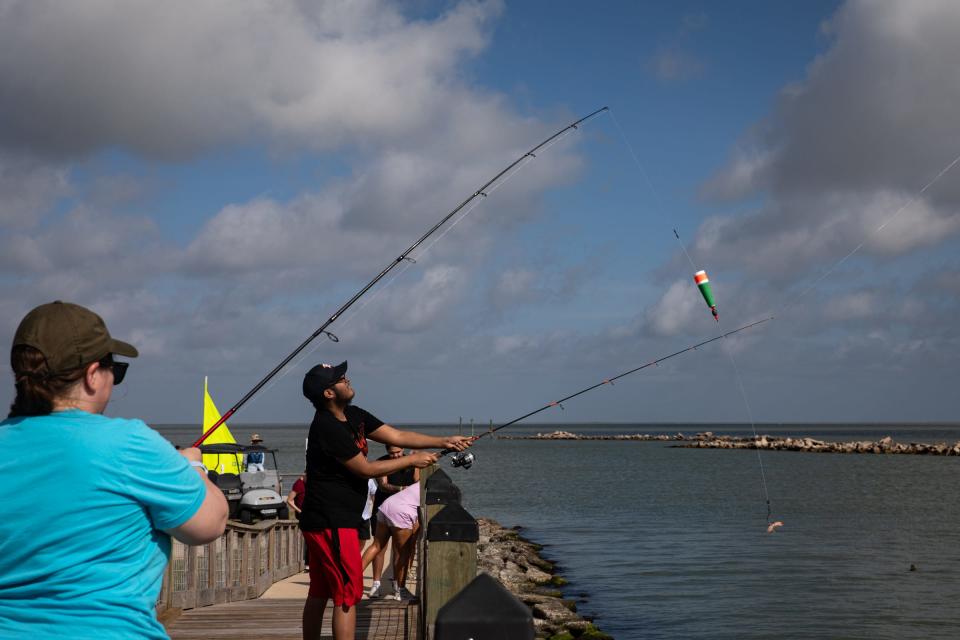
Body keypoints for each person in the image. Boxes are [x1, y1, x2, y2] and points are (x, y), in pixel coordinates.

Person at [0, 301, 228, 638]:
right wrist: (192, 464)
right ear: (92, 376)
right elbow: (210, 524)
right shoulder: (128, 443)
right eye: (114, 370)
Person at [299, 360, 472, 640]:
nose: (347, 380)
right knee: (347, 594)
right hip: (331, 519)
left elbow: (398, 435)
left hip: (328, 518)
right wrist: (413, 459)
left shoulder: (354, 415)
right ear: (329, 393)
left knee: (321, 589)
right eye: (340, 379)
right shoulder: (326, 426)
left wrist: (444, 442)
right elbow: (364, 469)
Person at [367, 445, 418, 598]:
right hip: (383, 509)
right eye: (392, 453)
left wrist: (417, 459)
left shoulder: (411, 462)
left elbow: (417, 482)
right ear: (386, 451)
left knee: (400, 549)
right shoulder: (380, 463)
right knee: (379, 548)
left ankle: (397, 584)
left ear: (403, 449)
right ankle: (376, 584)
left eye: (398, 452)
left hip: (404, 511)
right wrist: (403, 489)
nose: (395, 456)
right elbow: (383, 486)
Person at [361, 482, 422, 601]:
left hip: (386, 506)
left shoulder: (419, 484)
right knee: (404, 552)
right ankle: (401, 591)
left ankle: (350, 580)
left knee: (377, 545)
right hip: (402, 511)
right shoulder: (431, 487)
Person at [286, 470, 309, 565]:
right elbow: (289, 500)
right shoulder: (298, 484)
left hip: (309, 514)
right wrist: (300, 511)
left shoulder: (308, 484)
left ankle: (308, 561)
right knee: (307, 539)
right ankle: (307, 562)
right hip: (302, 515)